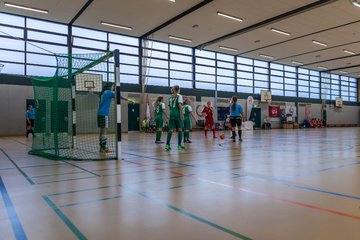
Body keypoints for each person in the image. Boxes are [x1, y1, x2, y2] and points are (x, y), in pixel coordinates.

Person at [97, 83, 134, 153]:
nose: (113, 88)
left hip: (99, 113)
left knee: (102, 130)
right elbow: (119, 96)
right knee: (104, 130)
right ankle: (103, 148)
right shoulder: (109, 92)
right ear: (110, 87)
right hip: (104, 114)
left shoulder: (103, 93)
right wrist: (129, 100)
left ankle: (101, 147)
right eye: (113, 86)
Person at [165, 85, 184, 150]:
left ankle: (167, 145)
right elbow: (179, 105)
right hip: (177, 114)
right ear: (178, 90)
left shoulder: (170, 97)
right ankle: (179, 145)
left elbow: (170, 107)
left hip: (171, 114)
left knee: (170, 129)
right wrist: (182, 113)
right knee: (180, 129)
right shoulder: (179, 96)